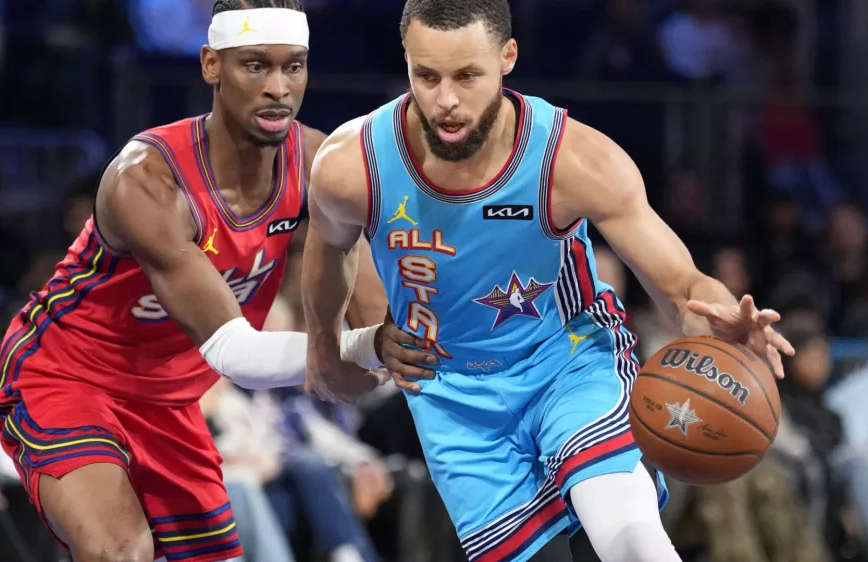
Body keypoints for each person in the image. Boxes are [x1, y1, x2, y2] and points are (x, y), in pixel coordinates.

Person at [300, 1, 795, 561]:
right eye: (427, 76)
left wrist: (720, 321)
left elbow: (681, 287)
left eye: (467, 76)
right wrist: (326, 343)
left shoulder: (574, 158)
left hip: (567, 359)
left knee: (626, 532)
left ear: (507, 57)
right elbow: (329, 247)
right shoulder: (351, 163)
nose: (446, 100)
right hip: (450, 390)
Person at [0, 2, 388, 561]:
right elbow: (238, 353)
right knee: (120, 548)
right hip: (67, 375)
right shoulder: (146, 180)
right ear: (210, 65)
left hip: (170, 398)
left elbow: (378, 323)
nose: (278, 87)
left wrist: (404, 354)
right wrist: (364, 351)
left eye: (293, 67)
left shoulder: (320, 163)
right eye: (255, 65)